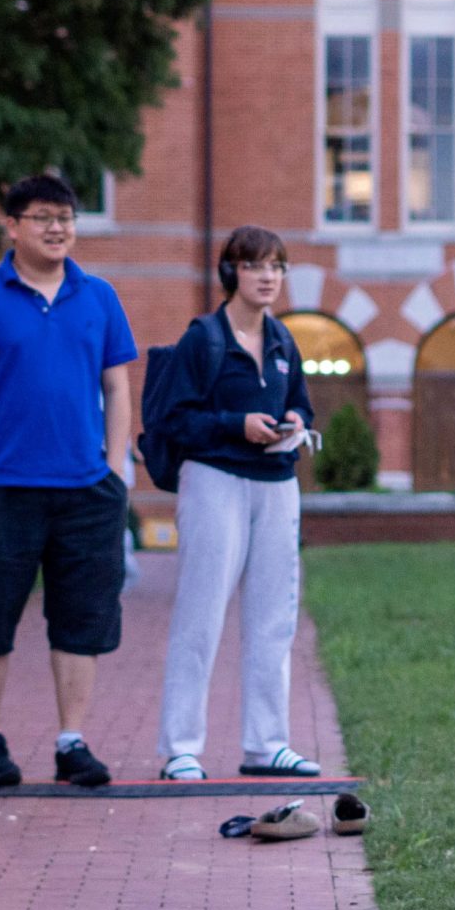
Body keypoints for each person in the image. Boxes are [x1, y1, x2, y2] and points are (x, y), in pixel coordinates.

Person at [0, 175, 137, 790]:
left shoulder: (98, 296)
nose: (58, 228)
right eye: (44, 217)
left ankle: (72, 742)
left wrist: (116, 464)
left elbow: (118, 384)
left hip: (86, 490)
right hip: (2, 487)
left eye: (67, 217)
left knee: (83, 617)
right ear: (13, 226)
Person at [151, 226, 321, 782]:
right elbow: (176, 421)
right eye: (256, 266)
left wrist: (296, 423)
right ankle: (181, 747)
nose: (269, 276)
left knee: (274, 618)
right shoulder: (203, 338)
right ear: (232, 273)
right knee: (201, 613)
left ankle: (266, 743)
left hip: (275, 482)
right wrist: (235, 425)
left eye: (277, 266)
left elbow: (300, 403)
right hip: (214, 480)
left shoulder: (282, 340)